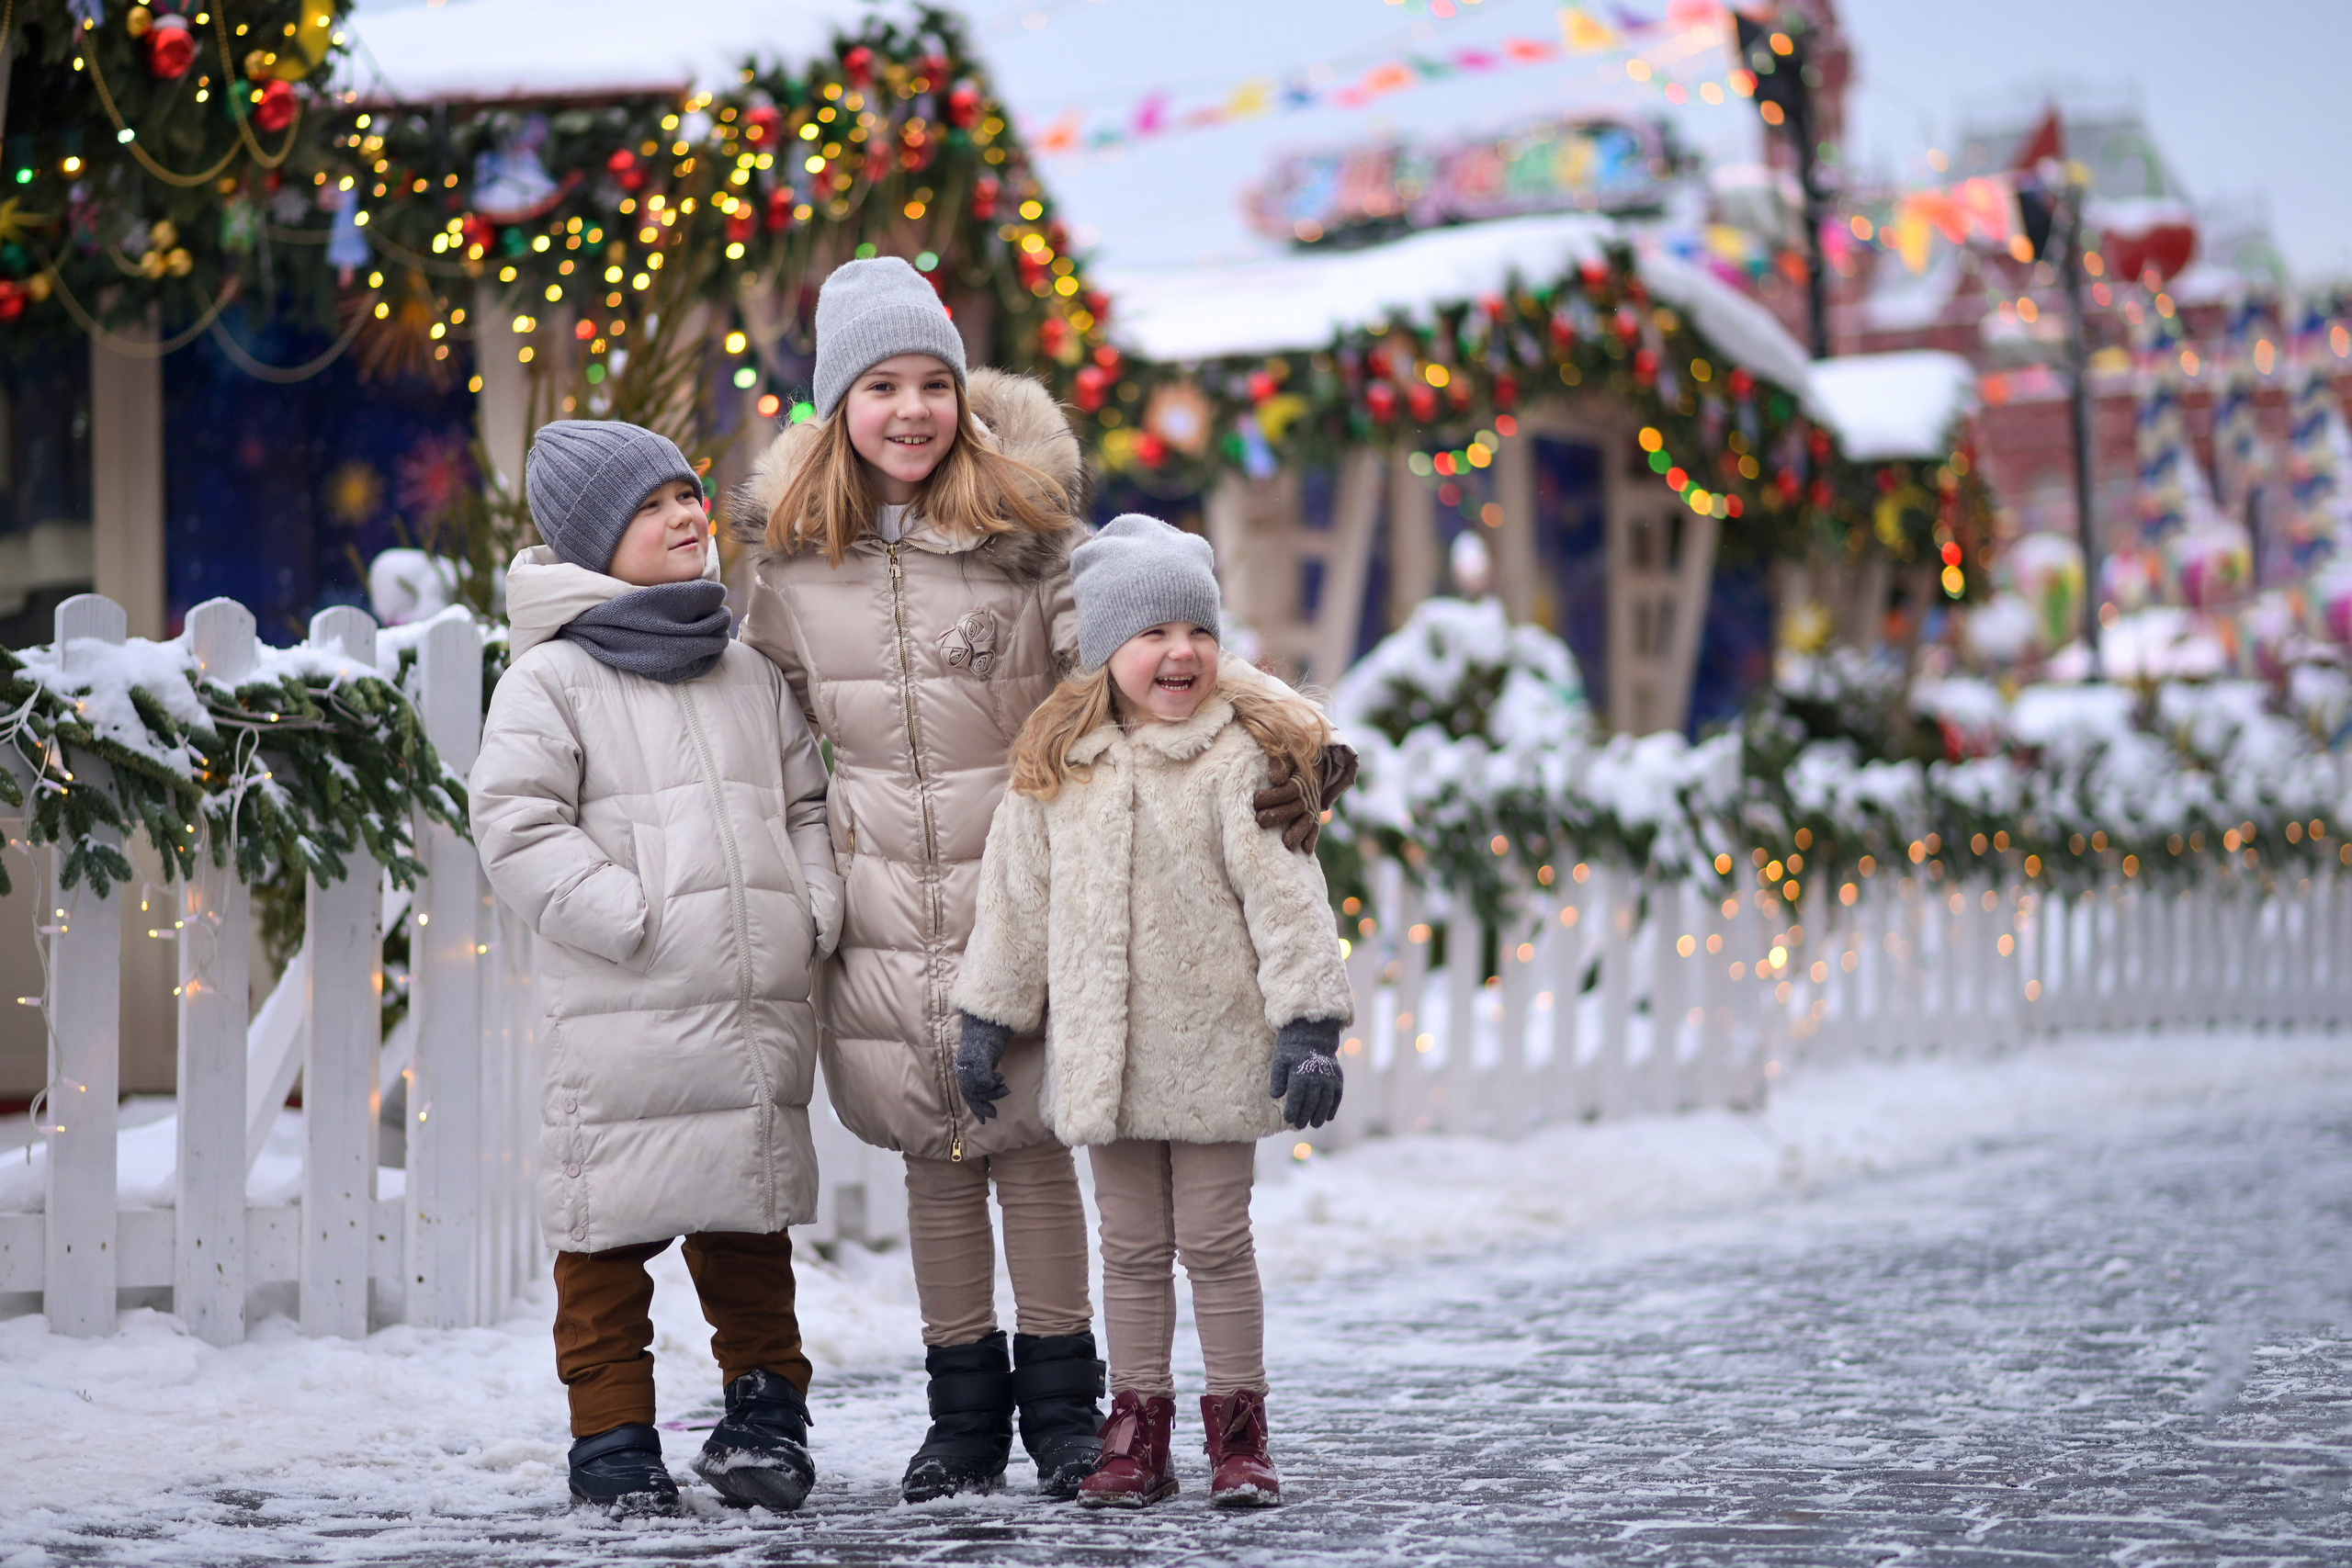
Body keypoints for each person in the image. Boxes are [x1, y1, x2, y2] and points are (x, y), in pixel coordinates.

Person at [734, 257, 1350, 1502]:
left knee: (1031, 1152)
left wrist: (1294, 729)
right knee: (935, 1158)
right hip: (885, 915)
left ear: (964, 394)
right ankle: (960, 1410)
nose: (911, 410)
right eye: (881, 385)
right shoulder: (796, 568)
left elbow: (1157, 652)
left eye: (933, 383)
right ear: (835, 404)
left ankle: (1070, 1407)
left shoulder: (1030, 542)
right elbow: (765, 730)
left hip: (1038, 895)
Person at [471, 420, 842, 1515]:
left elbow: (807, 805)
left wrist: (808, 909)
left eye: (689, 495)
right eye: (653, 506)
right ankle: (613, 1440)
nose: (688, 516)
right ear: (593, 543)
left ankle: (766, 1420)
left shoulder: (743, 669)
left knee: (748, 1227)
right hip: (623, 1010)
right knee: (605, 1238)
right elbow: (518, 827)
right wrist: (633, 919)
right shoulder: (553, 681)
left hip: (746, 1007)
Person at [952, 514, 1355, 1510]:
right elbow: (1014, 906)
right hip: (1105, 1058)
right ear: (1103, 652)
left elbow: (1289, 905)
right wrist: (987, 1017)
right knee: (1128, 1251)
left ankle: (1240, 1431)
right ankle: (1135, 1429)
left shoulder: (1240, 763)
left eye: (1198, 631)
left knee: (1216, 1243)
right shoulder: (1060, 767)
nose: (1180, 653)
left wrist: (1307, 1028)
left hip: (1217, 1052)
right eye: (1152, 634)